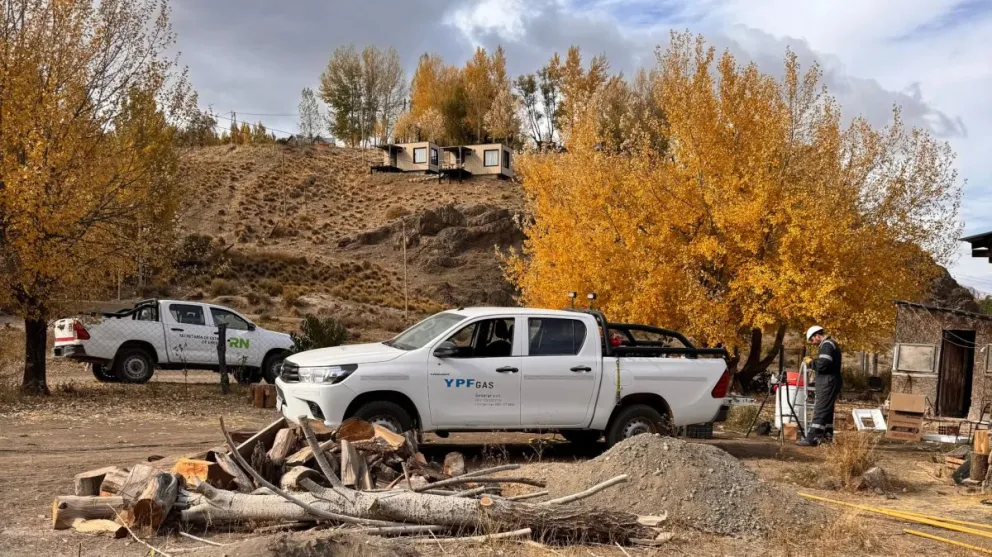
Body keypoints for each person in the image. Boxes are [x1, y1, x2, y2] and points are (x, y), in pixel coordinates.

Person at [797, 325, 842, 447]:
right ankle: (827, 437)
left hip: (828, 382)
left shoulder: (827, 345)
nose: (812, 343)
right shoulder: (830, 344)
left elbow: (823, 364)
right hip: (830, 381)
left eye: (812, 340)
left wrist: (811, 362)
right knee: (827, 411)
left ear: (817, 335)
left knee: (821, 409)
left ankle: (811, 438)